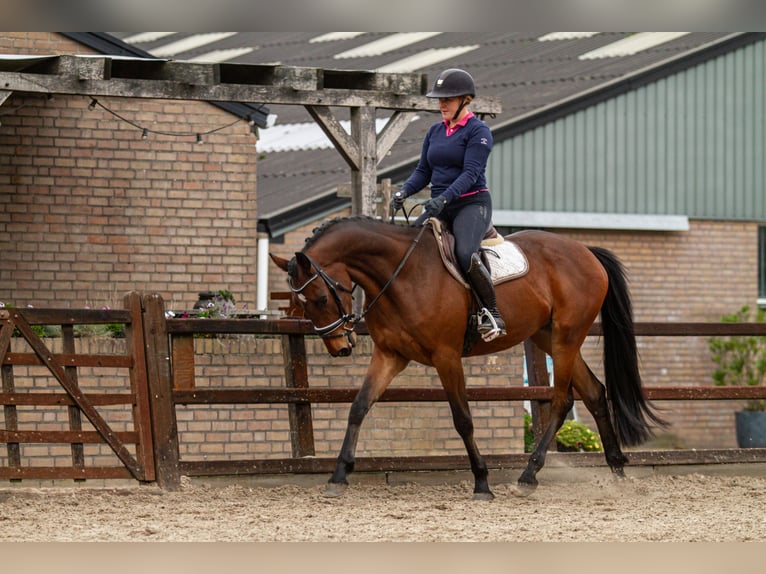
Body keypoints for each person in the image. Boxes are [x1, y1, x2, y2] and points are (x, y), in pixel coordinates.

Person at [390, 68, 506, 342]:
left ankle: (492, 313)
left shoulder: (479, 132)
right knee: (410, 248)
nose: (441, 104)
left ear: (466, 100)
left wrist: (443, 197)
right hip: (440, 205)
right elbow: (423, 171)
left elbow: (470, 174)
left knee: (465, 252)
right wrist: (404, 191)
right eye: (439, 99)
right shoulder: (434, 132)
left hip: (471, 204)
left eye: (448, 99)